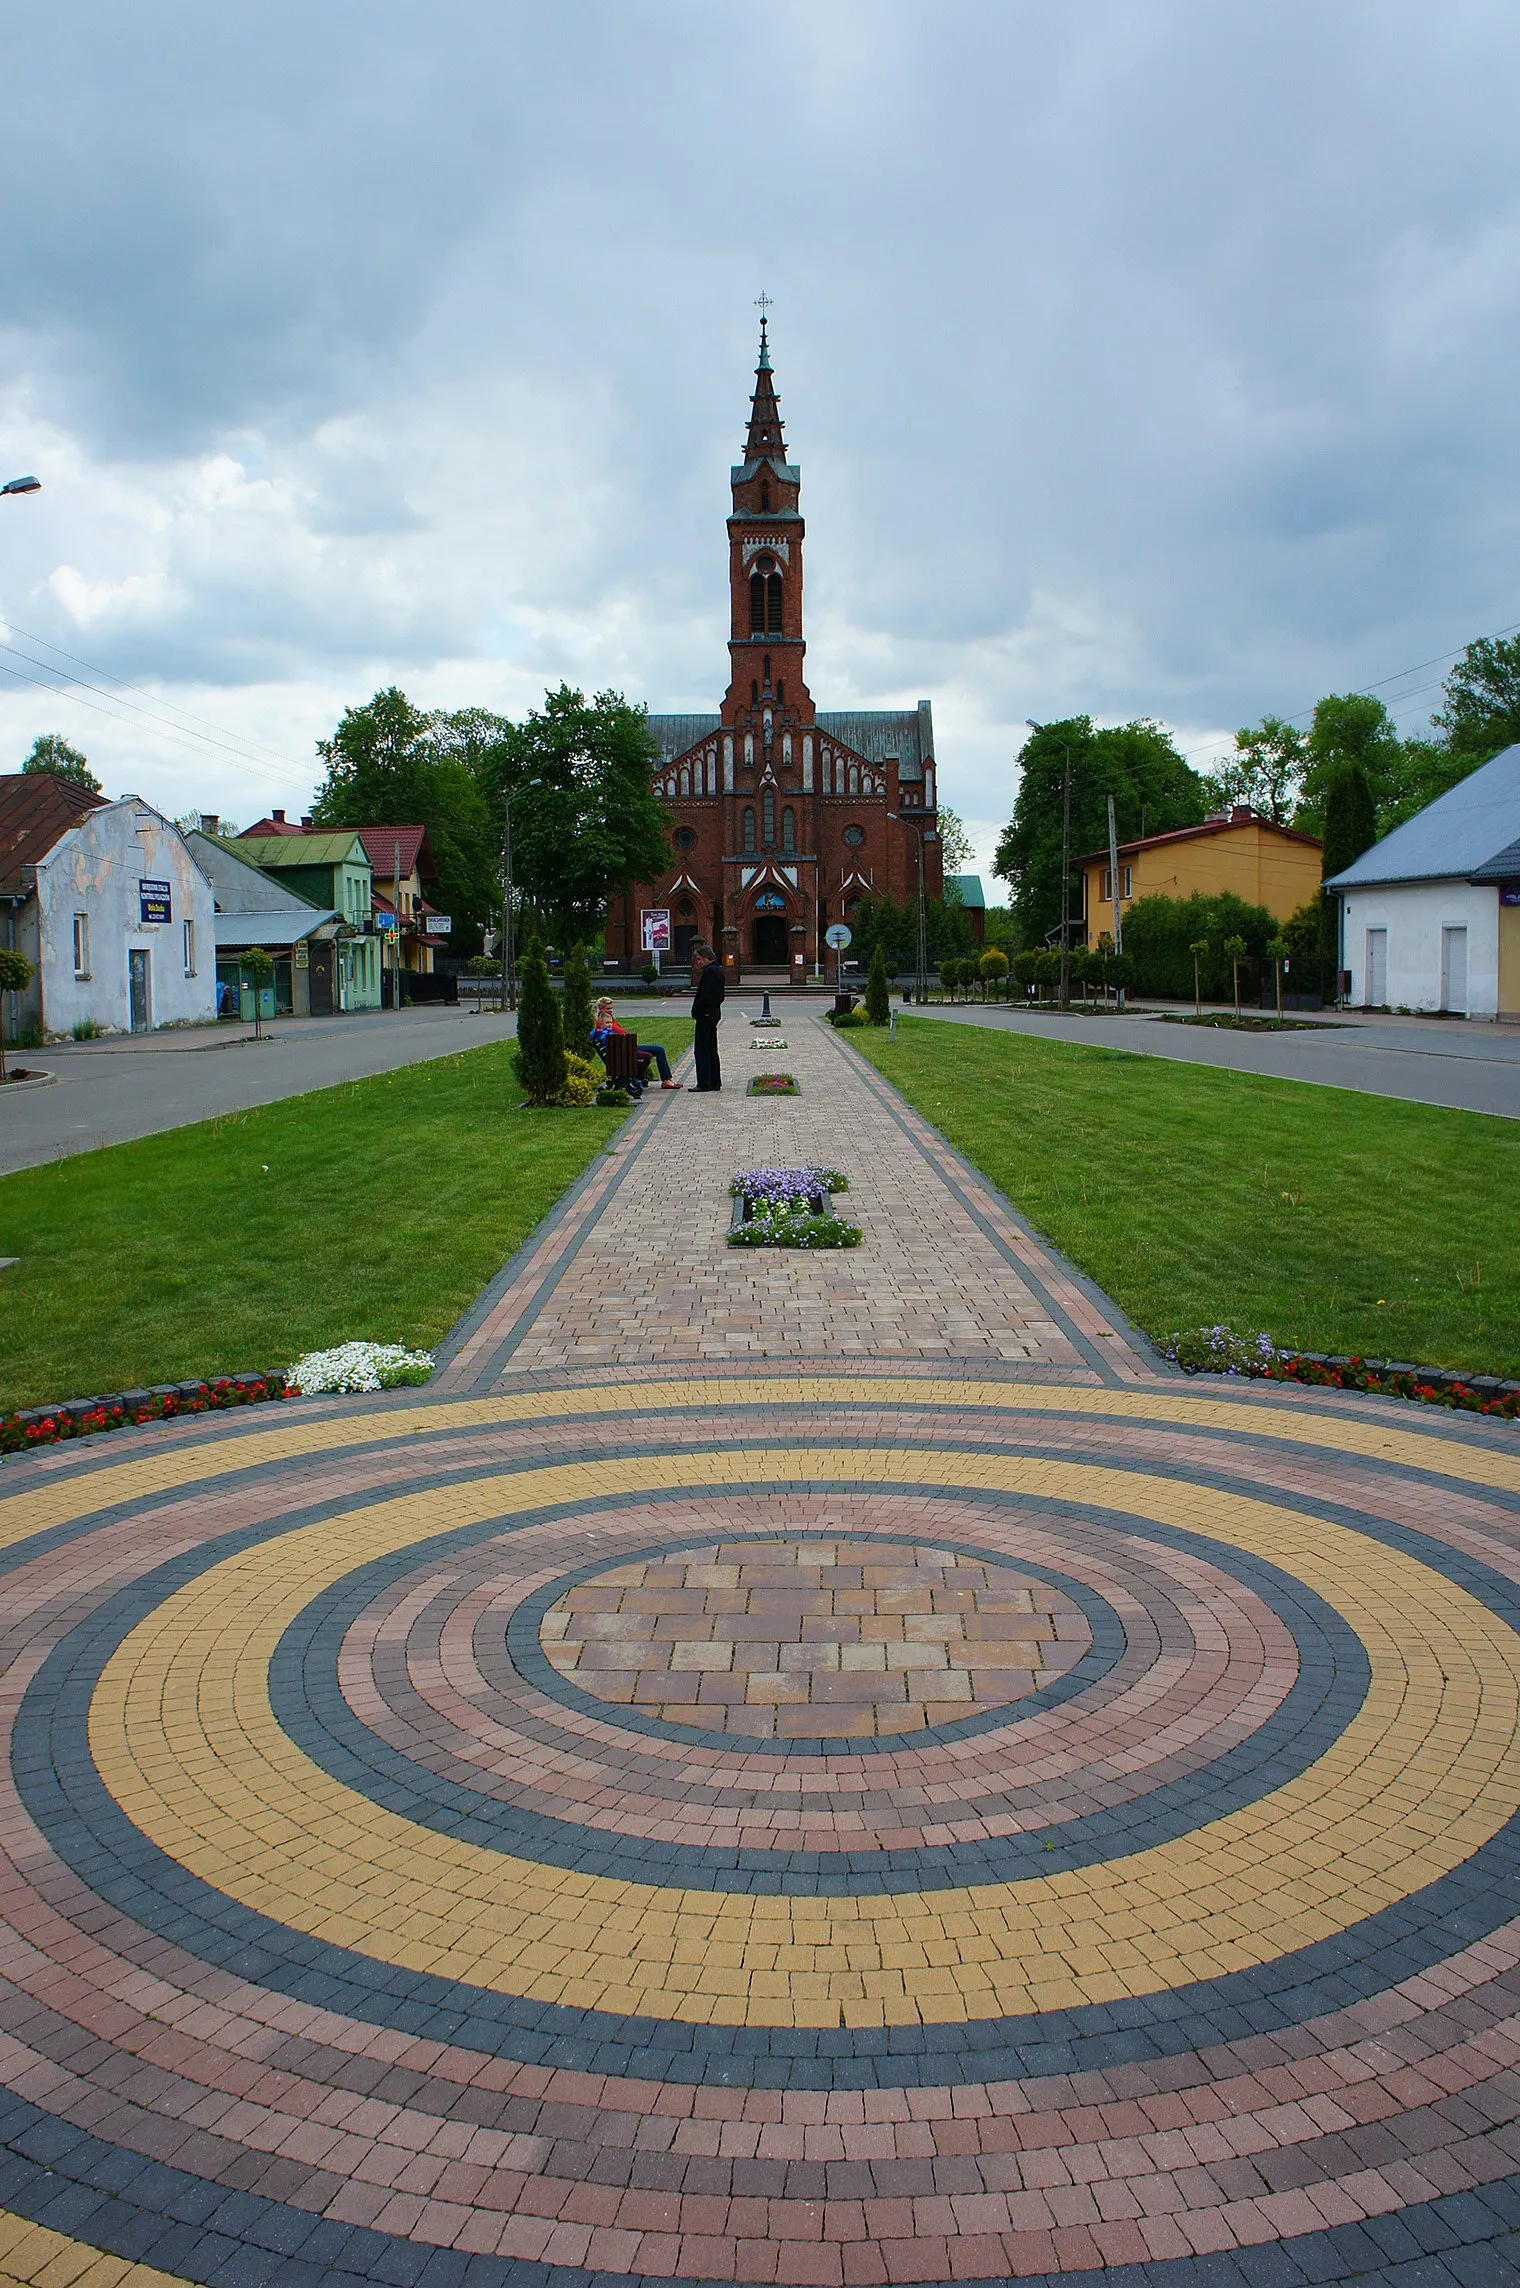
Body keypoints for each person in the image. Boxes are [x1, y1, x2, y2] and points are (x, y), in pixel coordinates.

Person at [590, 997, 683, 1090]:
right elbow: (614, 1035)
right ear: (601, 1008)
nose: (610, 1010)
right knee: (658, 1051)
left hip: (625, 1046)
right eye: (608, 1008)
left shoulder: (607, 1018)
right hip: (624, 1048)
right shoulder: (602, 1022)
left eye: (611, 1008)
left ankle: (667, 1079)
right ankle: (663, 1080)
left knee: (659, 1050)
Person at [690, 940, 725, 1092]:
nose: (698, 962)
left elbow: (706, 995)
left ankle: (704, 1082)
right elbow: (720, 996)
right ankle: (714, 1082)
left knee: (702, 1049)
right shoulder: (718, 970)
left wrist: (698, 1010)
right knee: (711, 1049)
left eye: (699, 959)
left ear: (705, 957)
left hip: (705, 1016)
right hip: (713, 1014)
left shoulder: (710, 971)